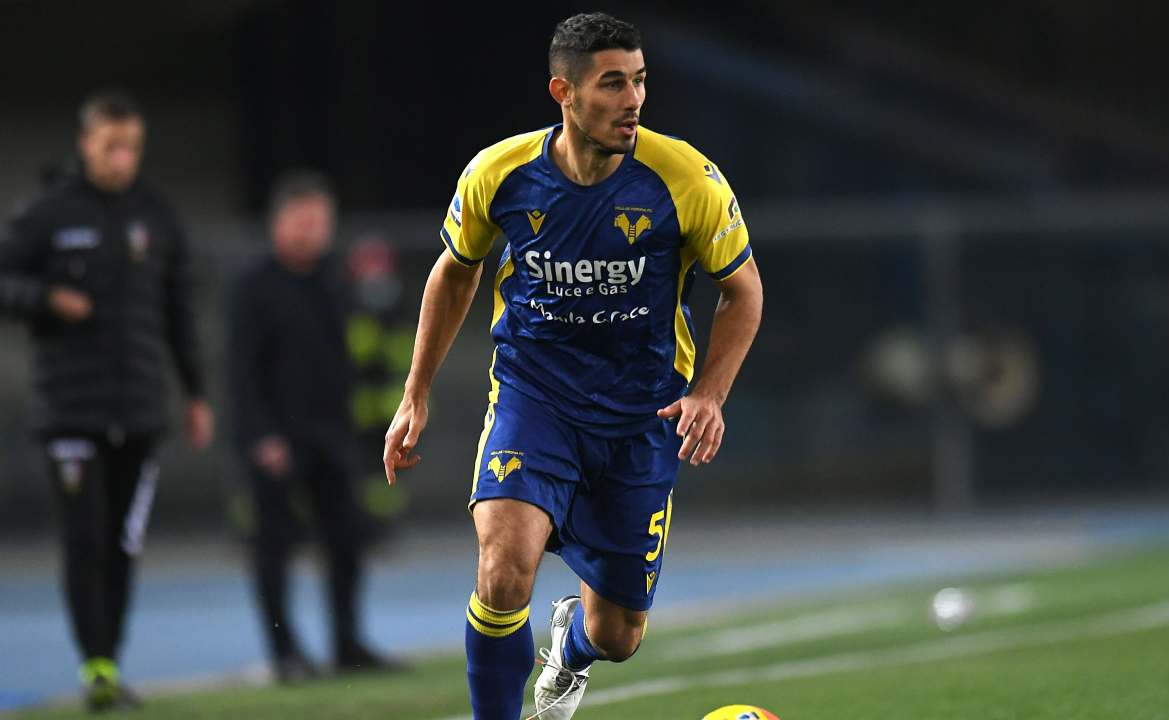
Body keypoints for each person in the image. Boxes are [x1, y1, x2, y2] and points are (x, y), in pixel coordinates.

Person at [382, 12, 764, 719]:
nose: (634, 100)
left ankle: (572, 646)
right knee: (503, 570)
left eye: (640, 80)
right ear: (564, 91)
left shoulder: (686, 178)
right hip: (536, 399)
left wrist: (710, 394)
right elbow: (456, 271)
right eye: (613, 83)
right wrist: (416, 393)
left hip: (641, 414)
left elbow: (742, 291)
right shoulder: (500, 173)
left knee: (619, 635)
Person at [0, 89, 215, 712]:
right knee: (84, 537)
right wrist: (45, 299)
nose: (122, 158)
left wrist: (195, 392)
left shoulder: (157, 214)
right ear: (85, 144)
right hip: (70, 409)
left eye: (131, 147)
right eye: (110, 146)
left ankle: (109, 663)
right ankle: (95, 663)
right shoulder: (46, 213)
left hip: (140, 410)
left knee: (121, 543)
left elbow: (178, 312)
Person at [227, 170, 399, 682]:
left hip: (331, 434)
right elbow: (240, 370)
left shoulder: (335, 280)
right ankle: (284, 653)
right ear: (278, 223)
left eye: (320, 223)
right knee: (275, 548)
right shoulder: (253, 286)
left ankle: (347, 643)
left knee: (346, 539)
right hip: (277, 438)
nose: (312, 233)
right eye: (302, 222)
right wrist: (261, 436)